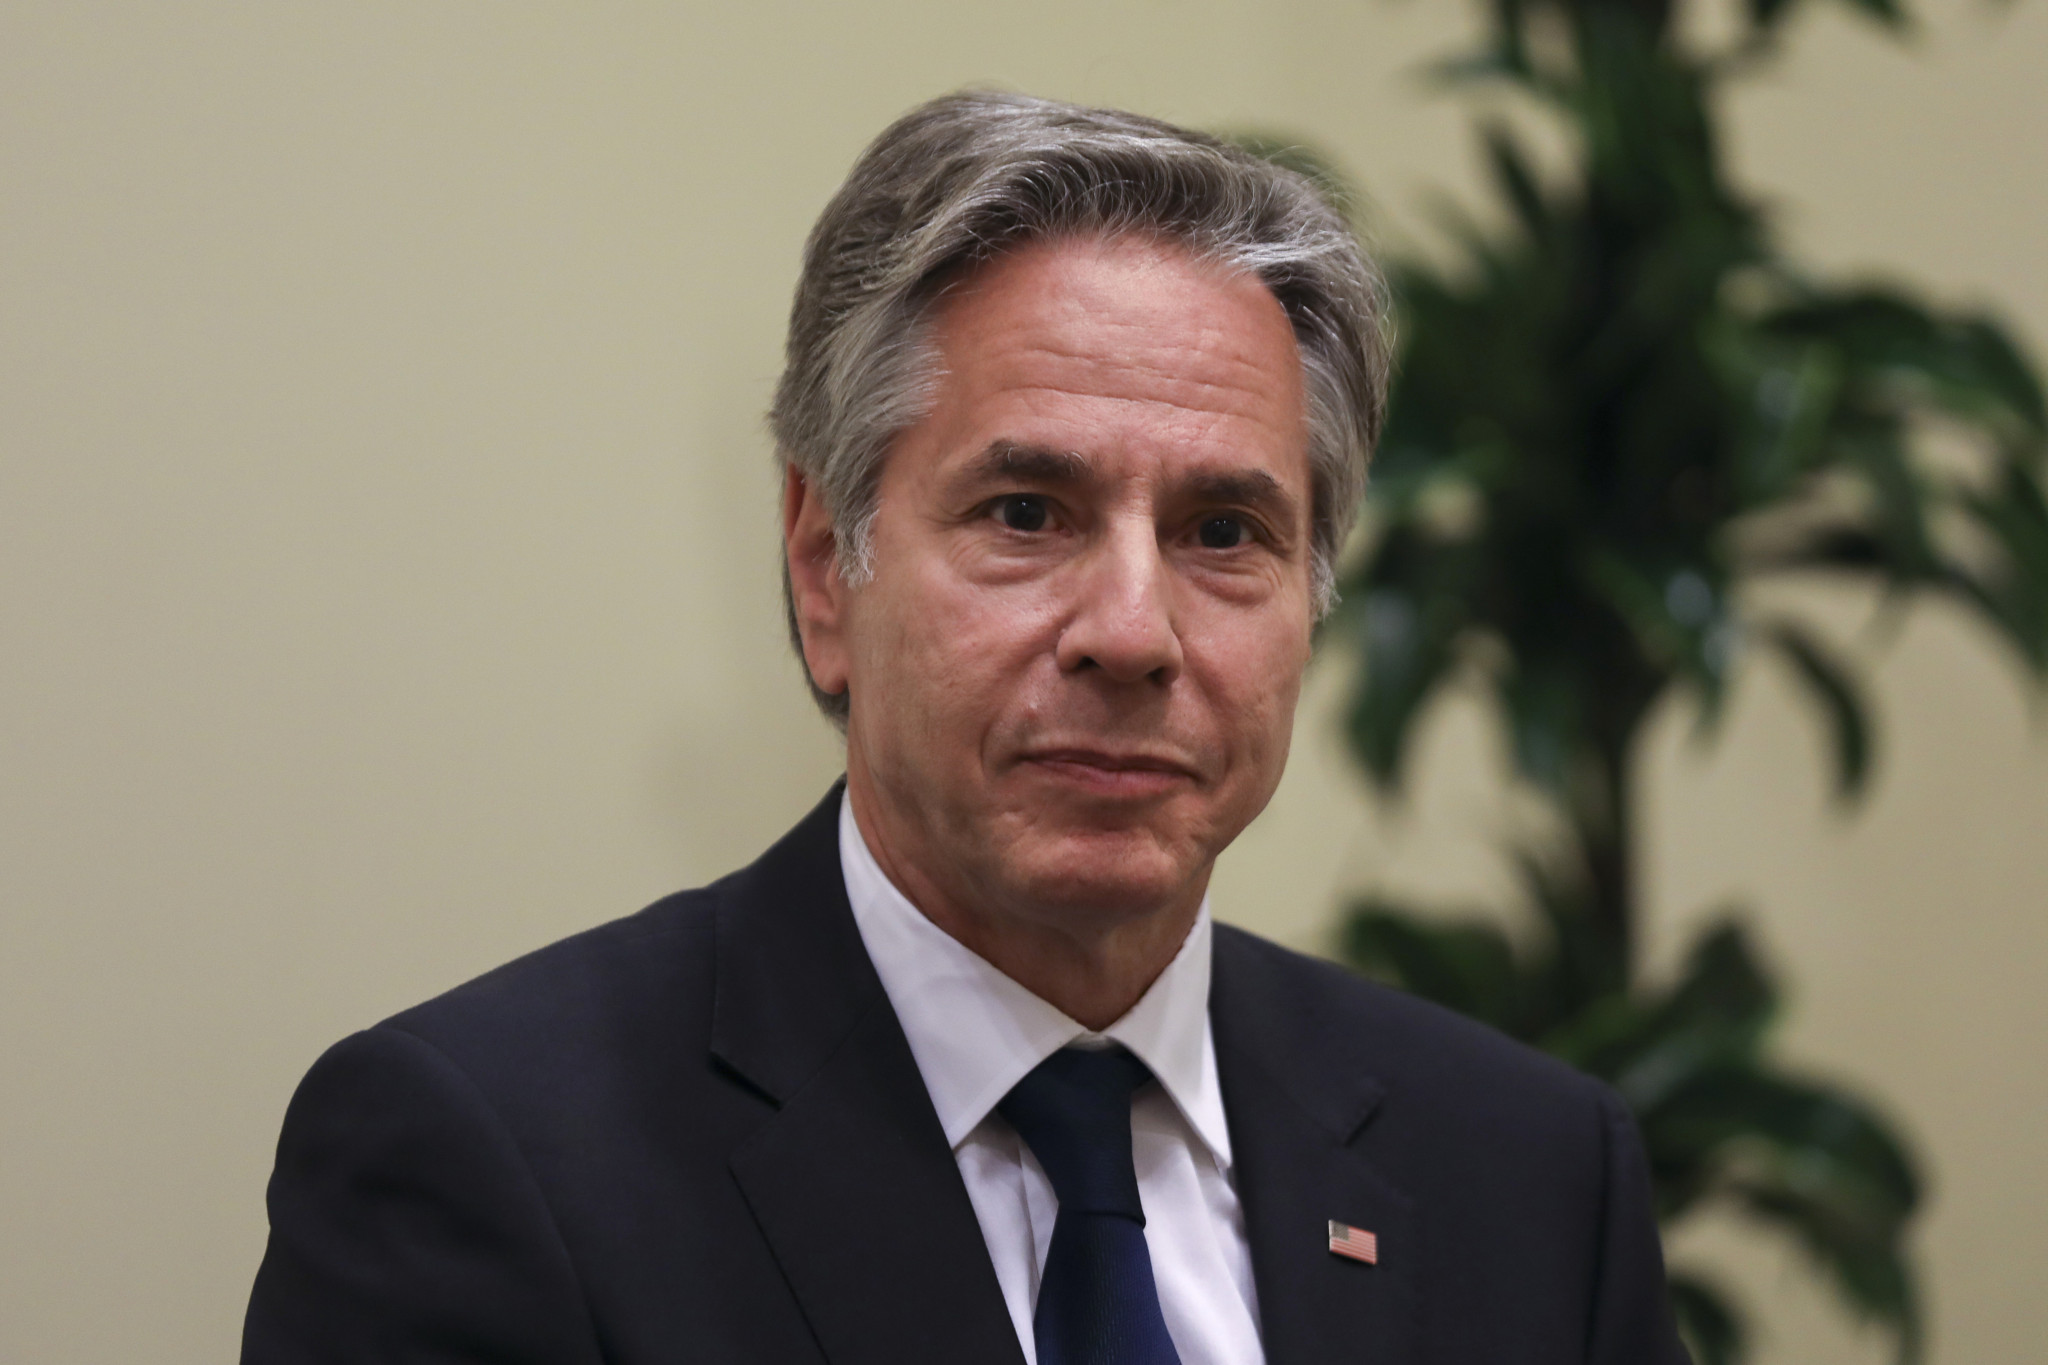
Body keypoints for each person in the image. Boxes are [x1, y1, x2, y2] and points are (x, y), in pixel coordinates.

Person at [243, 90, 1690, 1365]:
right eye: (1026, 513)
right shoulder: (487, 1162)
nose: (1131, 630)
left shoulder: (1533, 1177)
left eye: (1223, 530)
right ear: (826, 567)